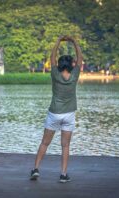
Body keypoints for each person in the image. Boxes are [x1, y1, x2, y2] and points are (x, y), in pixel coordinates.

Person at [30, 36, 83, 183]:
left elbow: (52, 57)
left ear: (59, 64)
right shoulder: (75, 75)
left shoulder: (55, 74)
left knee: (45, 143)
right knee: (65, 146)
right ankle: (63, 174)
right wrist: (74, 42)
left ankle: (35, 169)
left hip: (54, 114)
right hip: (69, 115)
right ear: (71, 65)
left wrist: (58, 41)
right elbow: (80, 59)